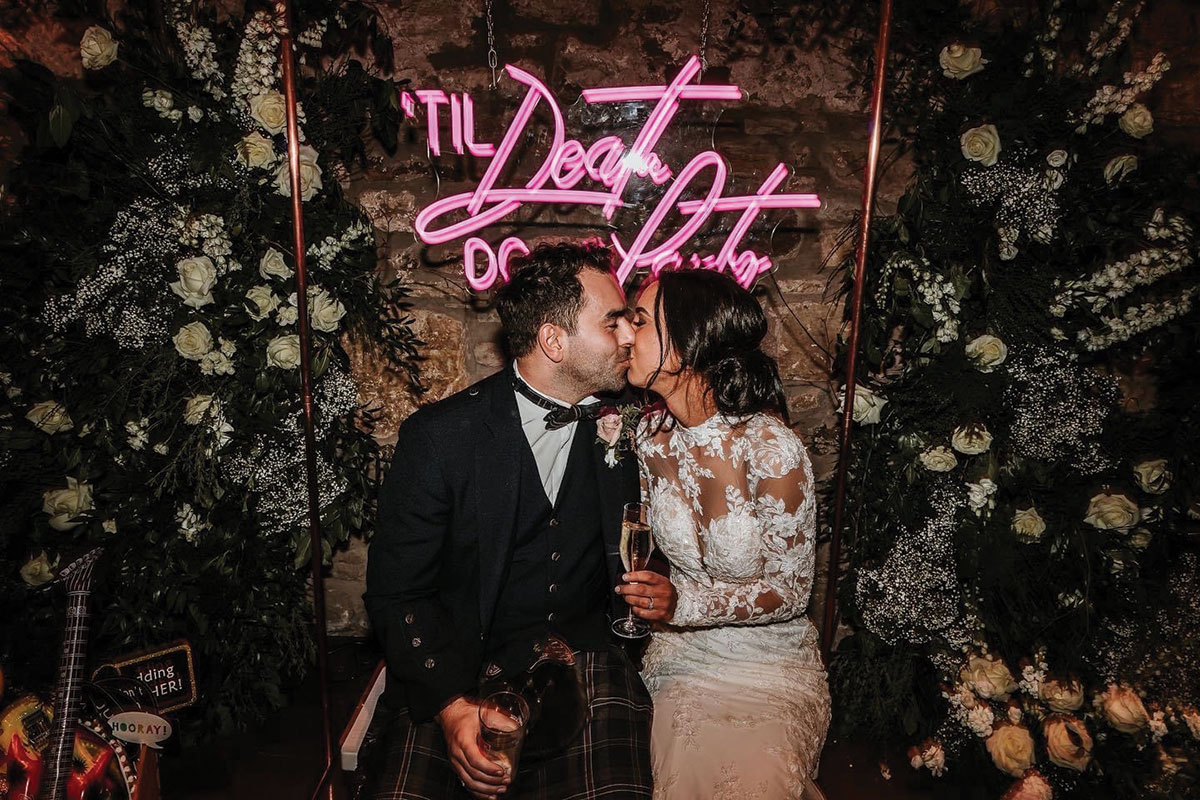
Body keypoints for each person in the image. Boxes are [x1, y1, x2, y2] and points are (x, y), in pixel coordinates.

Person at [363, 241, 676, 800]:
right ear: (553, 341)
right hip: (459, 668)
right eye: (613, 323)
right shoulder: (439, 439)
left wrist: (661, 587)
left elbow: (664, 539)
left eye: (630, 321)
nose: (630, 336)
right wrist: (451, 709)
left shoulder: (629, 427)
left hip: (586, 663)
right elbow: (398, 595)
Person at [619, 269, 831, 799]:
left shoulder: (770, 449)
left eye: (640, 322)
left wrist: (681, 603)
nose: (626, 335)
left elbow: (791, 591)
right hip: (682, 662)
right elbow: (646, 539)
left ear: (687, 343)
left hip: (771, 666)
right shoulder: (649, 436)